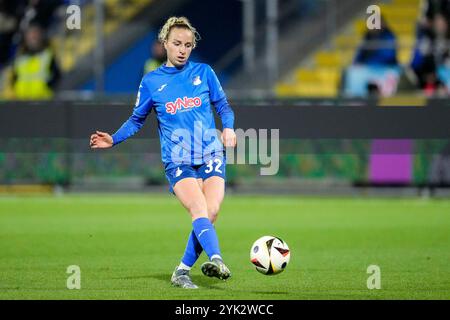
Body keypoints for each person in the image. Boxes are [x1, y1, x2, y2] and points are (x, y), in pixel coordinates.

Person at [89, 17, 237, 289]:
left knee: (211, 211)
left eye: (188, 45)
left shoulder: (204, 73)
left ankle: (181, 271)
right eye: (177, 43)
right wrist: (114, 138)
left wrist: (228, 128)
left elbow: (224, 107)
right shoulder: (152, 81)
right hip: (178, 160)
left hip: (210, 153)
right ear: (165, 43)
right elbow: (136, 120)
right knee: (198, 208)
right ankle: (216, 259)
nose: (183, 49)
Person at [10, 24, 60, 99]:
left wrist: (48, 86)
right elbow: (14, 78)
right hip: (21, 101)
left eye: (35, 34)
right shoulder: (20, 58)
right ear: (26, 37)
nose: (33, 37)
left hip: (43, 101)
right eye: (30, 34)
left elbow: (56, 76)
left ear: (41, 36)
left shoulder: (48, 55)